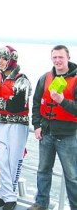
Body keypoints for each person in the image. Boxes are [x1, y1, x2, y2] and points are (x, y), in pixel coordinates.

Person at [29, 45, 77, 210]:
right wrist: (36, 125)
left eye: (60, 57)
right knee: (43, 171)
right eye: (54, 57)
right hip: (46, 133)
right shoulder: (45, 78)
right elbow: (35, 104)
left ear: (68, 58)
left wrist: (62, 101)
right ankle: (41, 203)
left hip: (68, 136)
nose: (57, 60)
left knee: (72, 177)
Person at [0, 46, 32, 210]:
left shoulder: (22, 79)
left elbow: (17, 105)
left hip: (18, 124)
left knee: (14, 160)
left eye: (4, 58)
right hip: (1, 122)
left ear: (12, 59)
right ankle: (6, 194)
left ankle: (8, 196)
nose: (0, 61)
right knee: (1, 158)